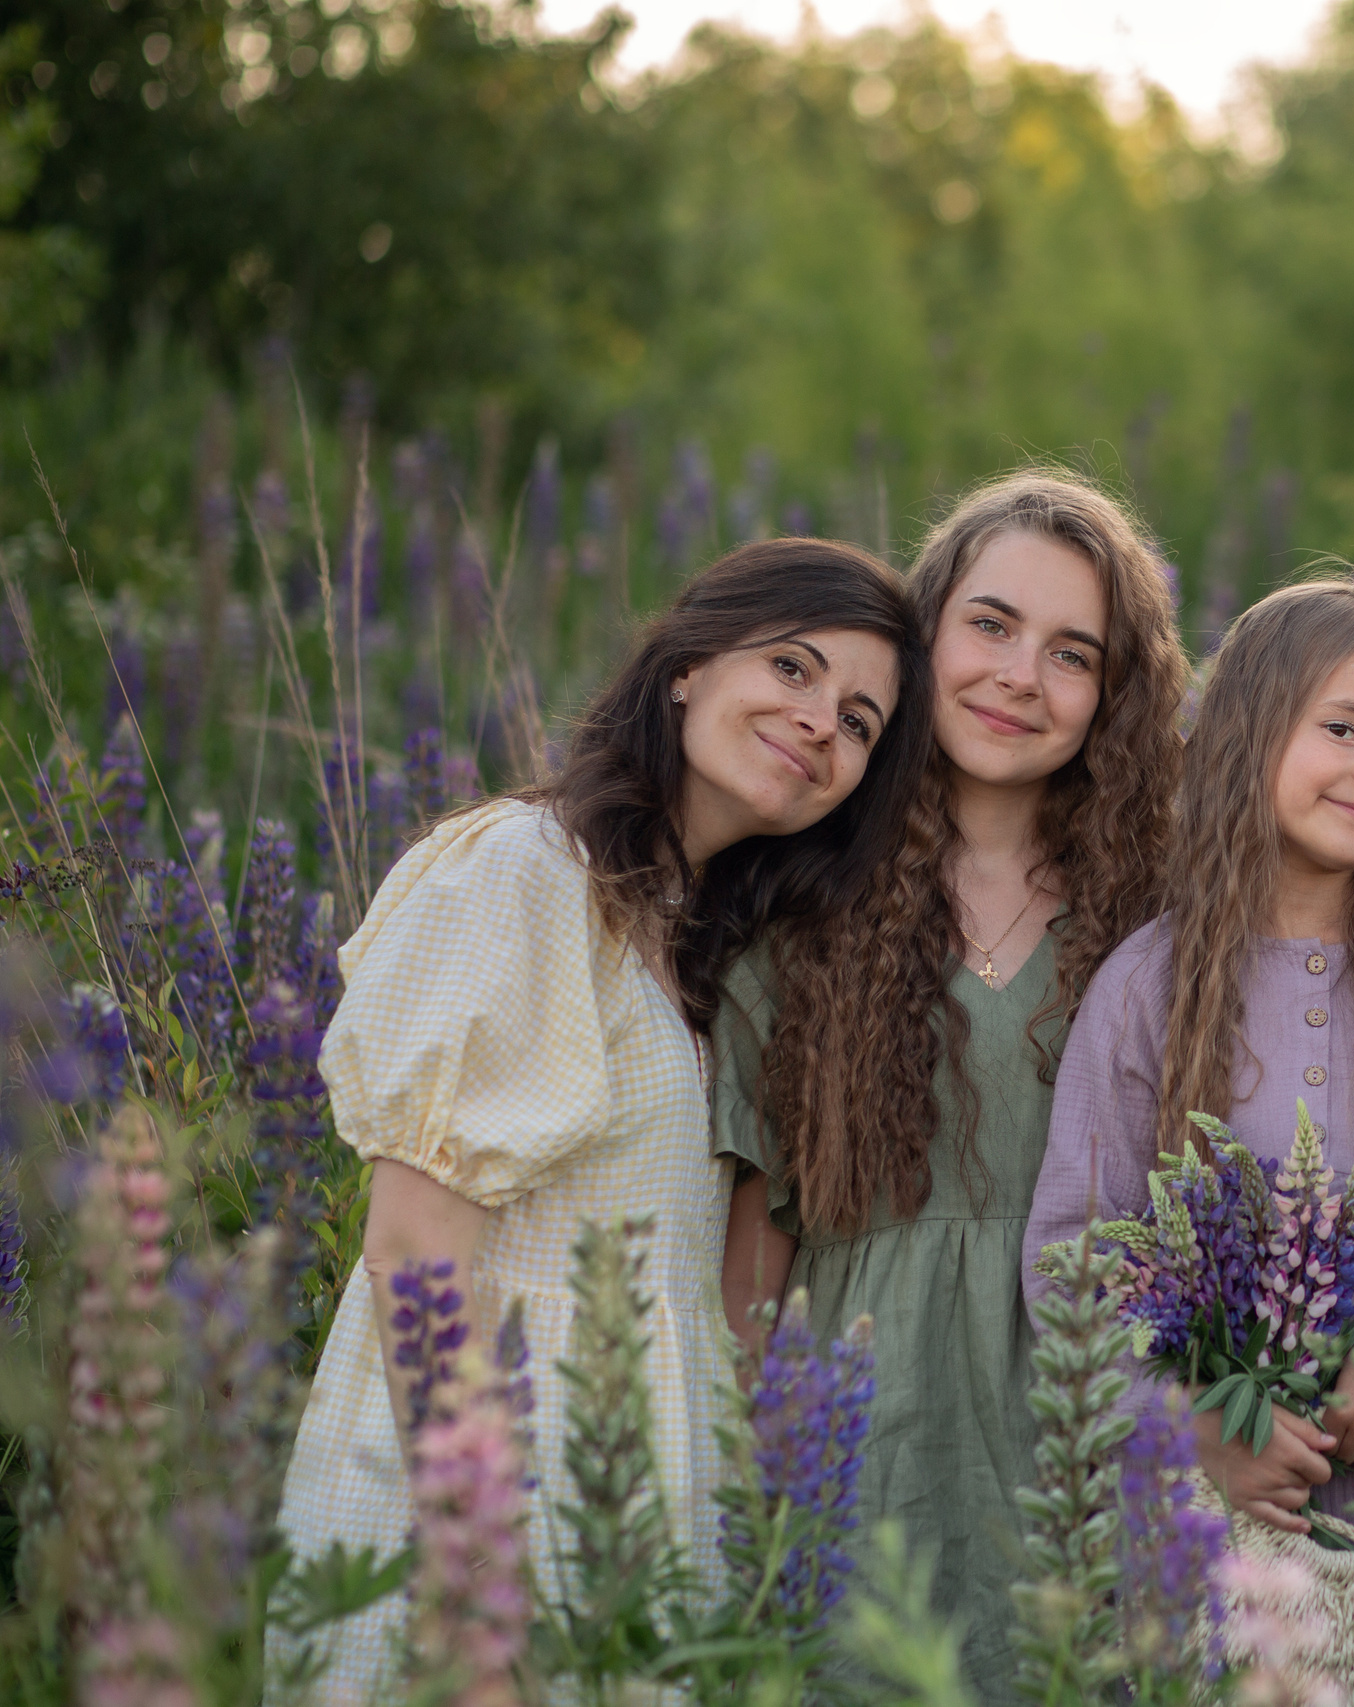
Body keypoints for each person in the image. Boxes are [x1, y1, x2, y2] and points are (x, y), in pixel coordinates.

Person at [275, 539, 932, 1700]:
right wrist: (480, 1600)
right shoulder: (528, 868)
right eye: (791, 666)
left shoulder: (682, 938)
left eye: (861, 720)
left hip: (616, 1525)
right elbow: (415, 1256)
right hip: (481, 1521)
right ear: (686, 664)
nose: (821, 720)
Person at [713, 470, 1189, 1700]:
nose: (1021, 675)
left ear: (1113, 696)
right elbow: (750, 1271)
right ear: (922, 638)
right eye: (989, 625)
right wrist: (759, 1481)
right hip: (870, 1449)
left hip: (1090, 1440)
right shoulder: (800, 903)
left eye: (1071, 652)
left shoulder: (1158, 915)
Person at [1025, 576, 1354, 1540]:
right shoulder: (1151, 984)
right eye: (1342, 729)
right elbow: (1075, 1262)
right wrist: (1193, 1427)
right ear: (1247, 731)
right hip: (1199, 1512)